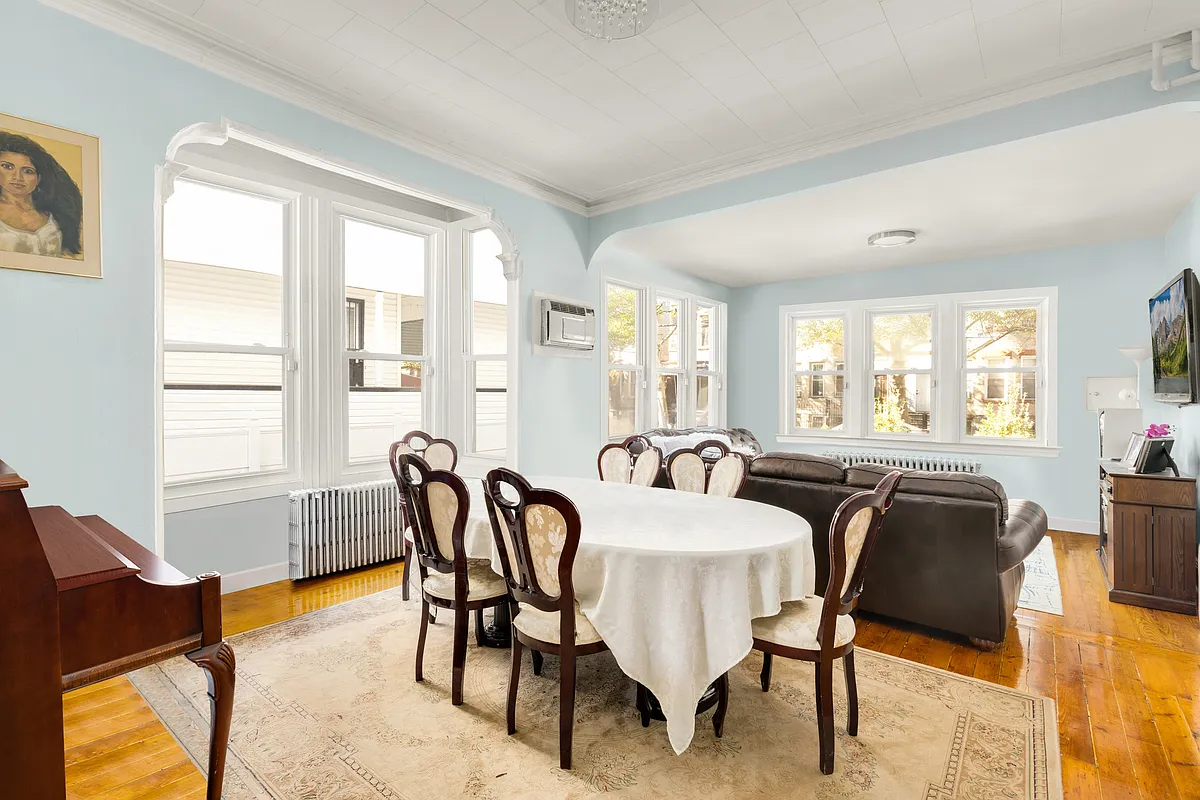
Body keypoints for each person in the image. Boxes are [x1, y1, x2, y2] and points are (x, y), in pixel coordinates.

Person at [0, 131, 83, 258]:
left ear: (39, 178)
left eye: (28, 171)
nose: (17, 177)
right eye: (7, 166)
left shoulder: (57, 213)